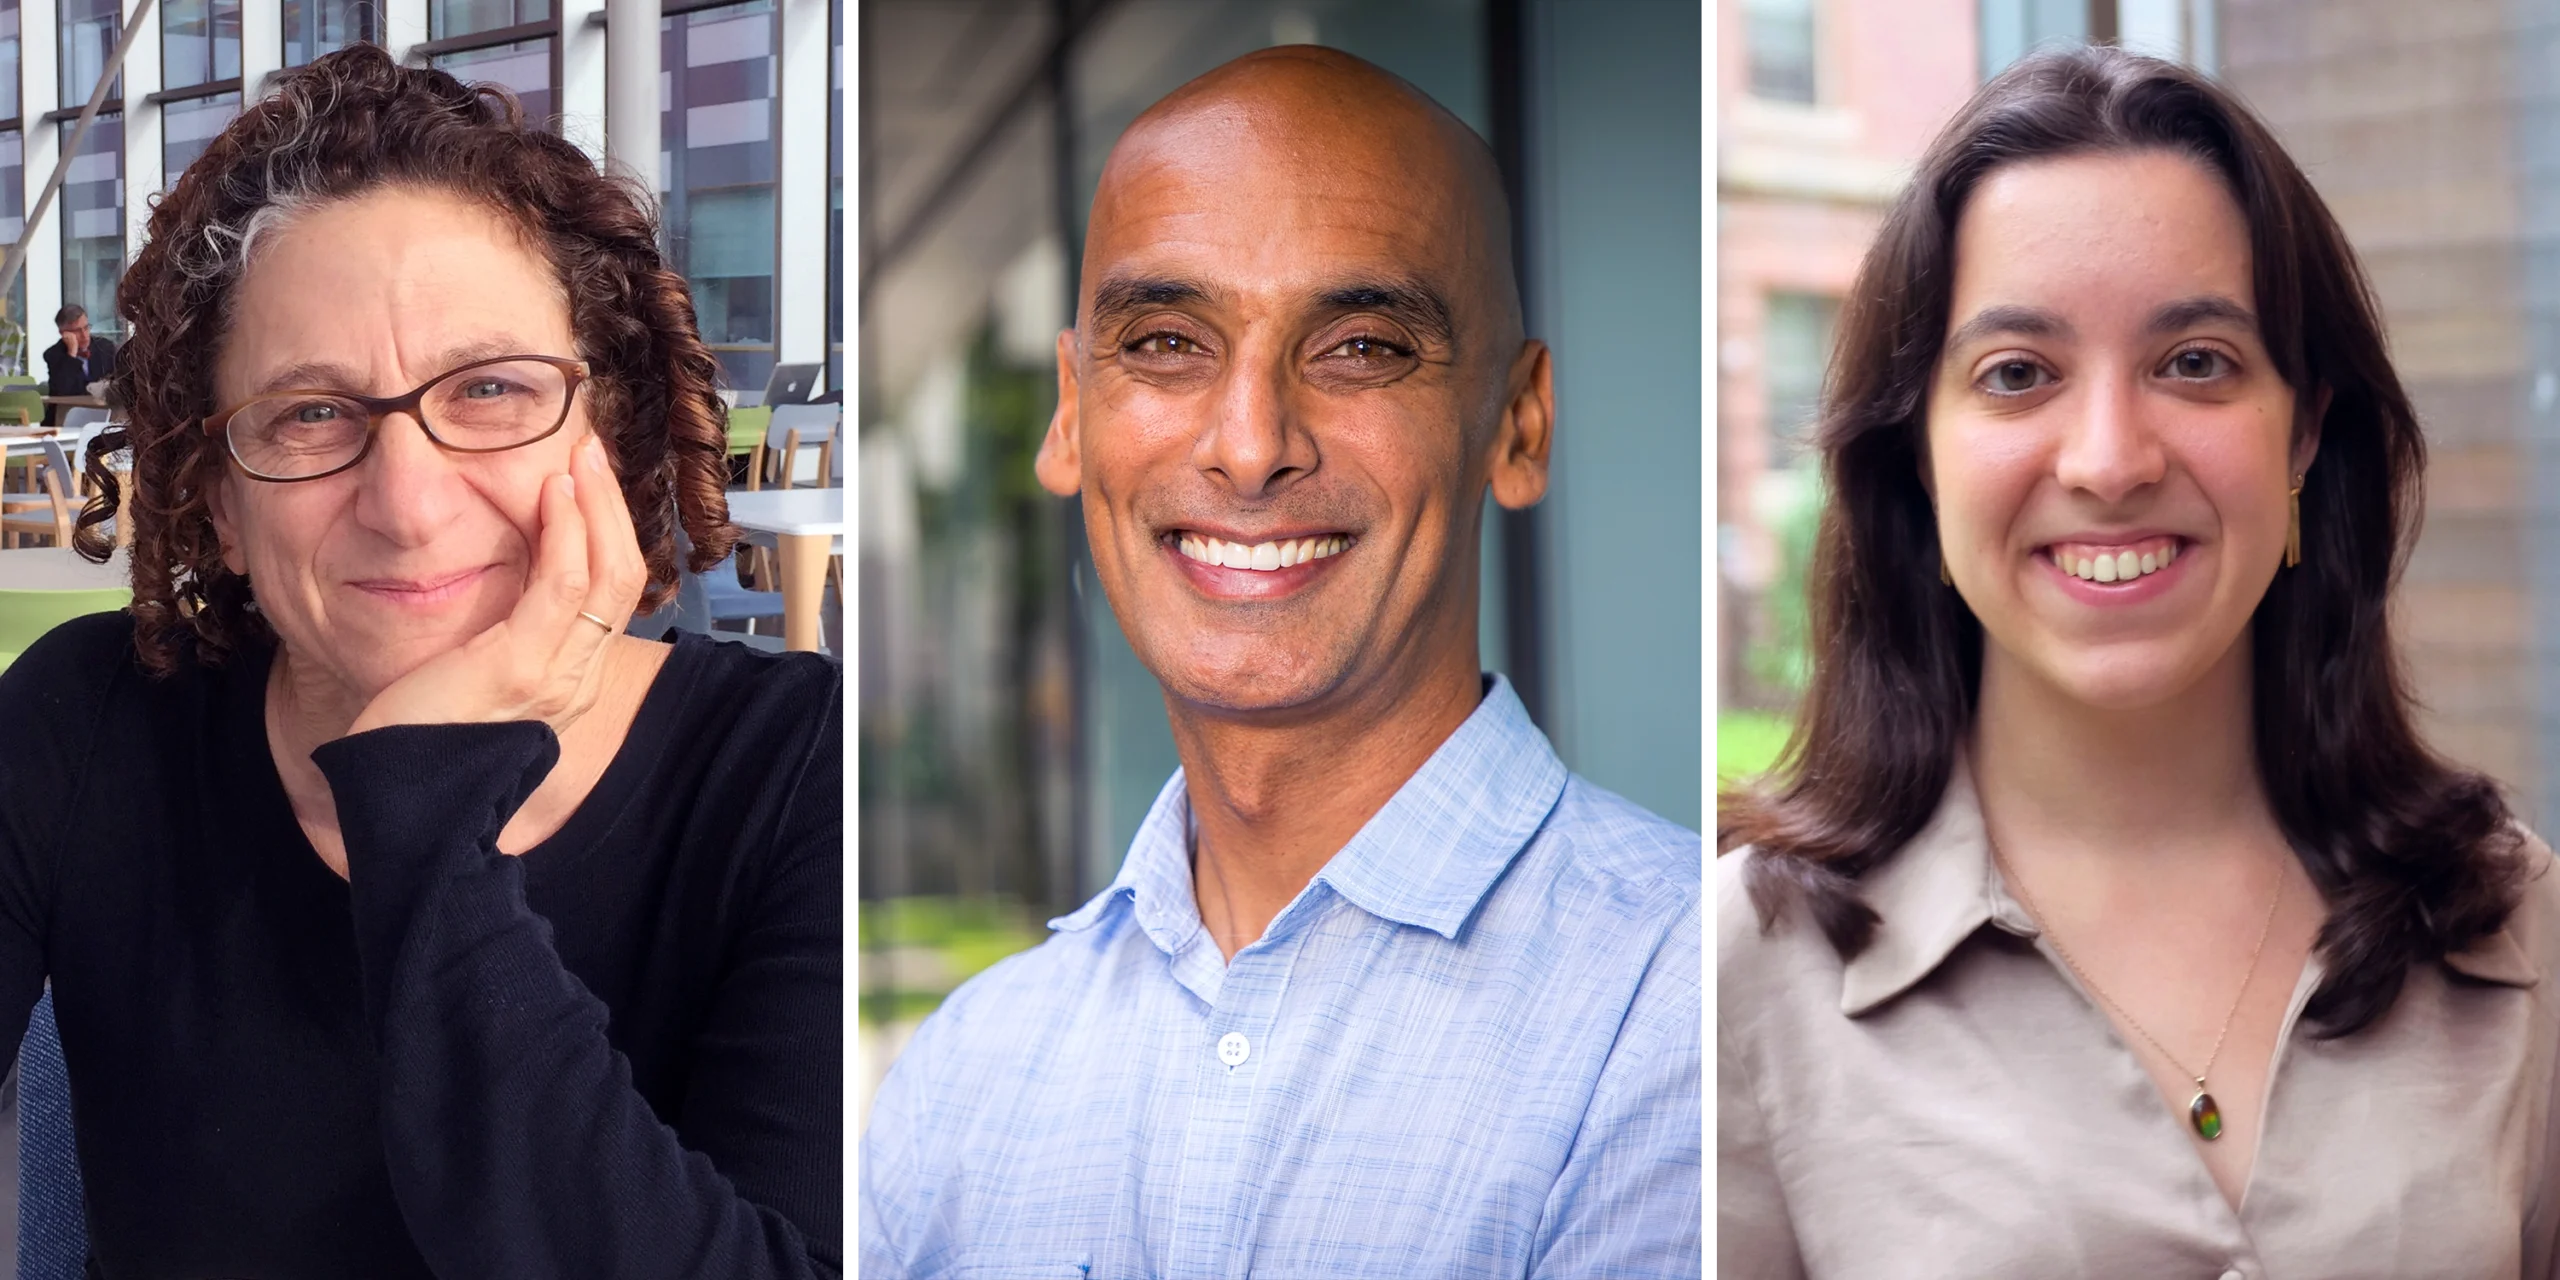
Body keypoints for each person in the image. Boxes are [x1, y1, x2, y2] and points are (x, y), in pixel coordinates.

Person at [855, 45, 1705, 1276]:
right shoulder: (959, 1076)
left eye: (1360, 346)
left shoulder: (1682, 998)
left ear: (1517, 426)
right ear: (1071, 411)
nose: (1250, 444)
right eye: (1164, 342)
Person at [1711, 45, 2560, 1277]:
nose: (2108, 460)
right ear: (1915, 459)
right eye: (2018, 375)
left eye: (2194, 362)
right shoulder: (1743, 969)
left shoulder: (2511, 914)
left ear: (2304, 431)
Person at [0, 44, 845, 1275]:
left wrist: (427, 806)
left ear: (604, 437)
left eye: (492, 389)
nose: (406, 503)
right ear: (221, 504)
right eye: (309, 413)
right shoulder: (86, 725)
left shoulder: (805, 778)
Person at [39, 304, 114, 426]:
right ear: (63, 333)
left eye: (86, 328)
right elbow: (62, 390)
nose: (85, 335)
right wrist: (72, 354)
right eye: (77, 331)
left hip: (102, 414)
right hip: (65, 416)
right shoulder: (53, 354)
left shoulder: (105, 348)